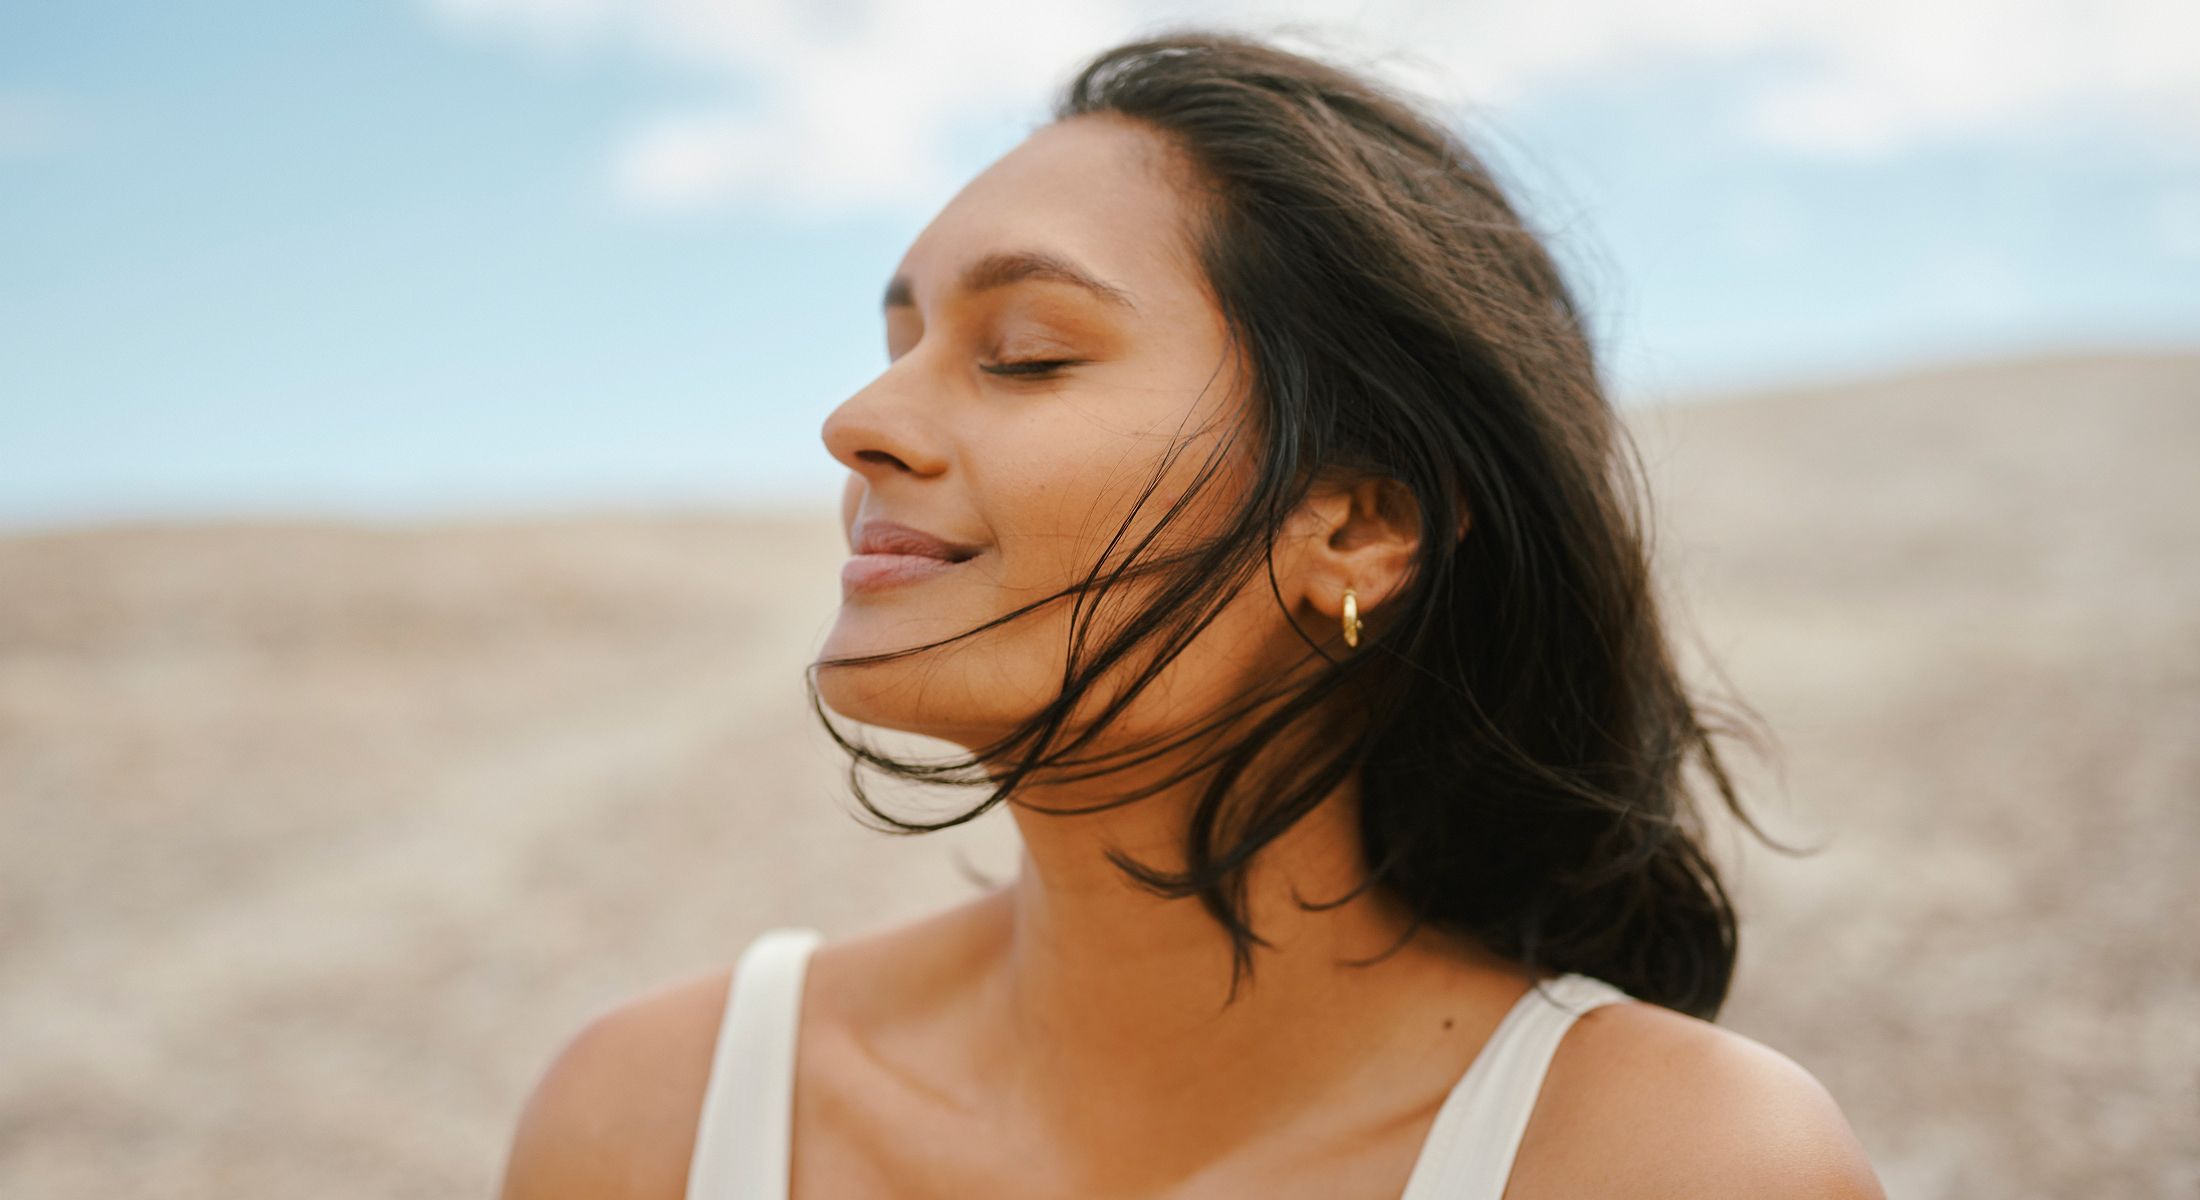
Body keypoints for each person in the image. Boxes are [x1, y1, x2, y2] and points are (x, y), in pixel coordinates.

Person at [498, 28, 1885, 1200]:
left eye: (1026, 355)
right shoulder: (655, 1117)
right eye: (898, 346)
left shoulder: (1674, 1162)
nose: (857, 422)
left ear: (1358, 526)